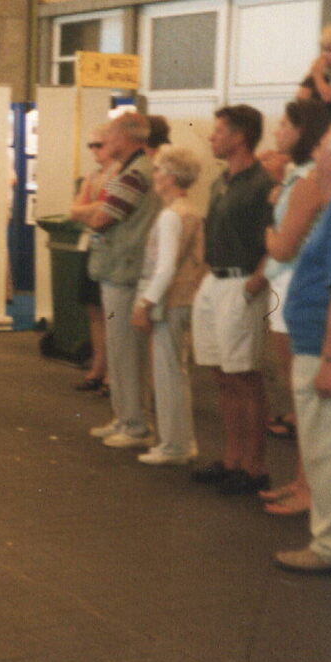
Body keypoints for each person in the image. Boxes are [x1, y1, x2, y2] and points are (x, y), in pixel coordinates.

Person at [190, 105, 274, 495]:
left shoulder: (262, 184)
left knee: (245, 377)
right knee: (222, 376)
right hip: (216, 280)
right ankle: (232, 459)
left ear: (239, 137)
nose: (212, 137)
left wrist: (255, 283)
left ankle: (254, 467)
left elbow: (273, 237)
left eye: (219, 131)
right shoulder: (220, 182)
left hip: (242, 282)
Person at [259, 99, 331, 515]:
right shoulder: (297, 177)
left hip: (294, 287)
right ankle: (302, 481)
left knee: (304, 397)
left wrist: (268, 232)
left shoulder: (307, 181)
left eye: (285, 125)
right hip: (284, 286)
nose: (278, 132)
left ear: (304, 131)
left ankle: (309, 488)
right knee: (297, 396)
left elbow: (283, 246)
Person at [273, 123, 331, 574]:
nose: (313, 155)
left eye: (319, 148)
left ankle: (330, 546)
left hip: (323, 348)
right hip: (319, 344)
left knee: (327, 452)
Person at [82, 112, 161, 448]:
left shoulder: (134, 173)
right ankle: (124, 416)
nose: (106, 141)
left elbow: (101, 217)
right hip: (118, 268)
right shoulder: (129, 170)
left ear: (126, 137)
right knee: (119, 348)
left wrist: (84, 214)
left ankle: (134, 424)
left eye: (111, 134)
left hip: (123, 271)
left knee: (125, 350)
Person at [130, 146, 206, 465]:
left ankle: (174, 445)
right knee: (176, 371)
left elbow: (164, 268)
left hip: (171, 300)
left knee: (168, 373)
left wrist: (144, 303)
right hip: (185, 297)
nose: (155, 174)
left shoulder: (171, 215)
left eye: (160, 169)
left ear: (172, 177)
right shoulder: (189, 210)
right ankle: (180, 441)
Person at [68, 124, 119, 396]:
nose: (94, 151)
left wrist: (87, 209)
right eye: (91, 145)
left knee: (109, 311)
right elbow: (75, 210)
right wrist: (90, 209)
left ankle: (112, 374)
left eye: (99, 145)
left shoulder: (119, 174)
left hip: (110, 248)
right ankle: (98, 369)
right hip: (92, 244)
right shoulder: (93, 175)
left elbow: (104, 209)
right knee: (94, 310)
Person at [296, 21, 331, 120]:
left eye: (330, 50)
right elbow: (300, 97)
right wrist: (313, 73)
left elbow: (328, 96)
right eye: (323, 50)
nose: (324, 54)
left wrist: (317, 74)